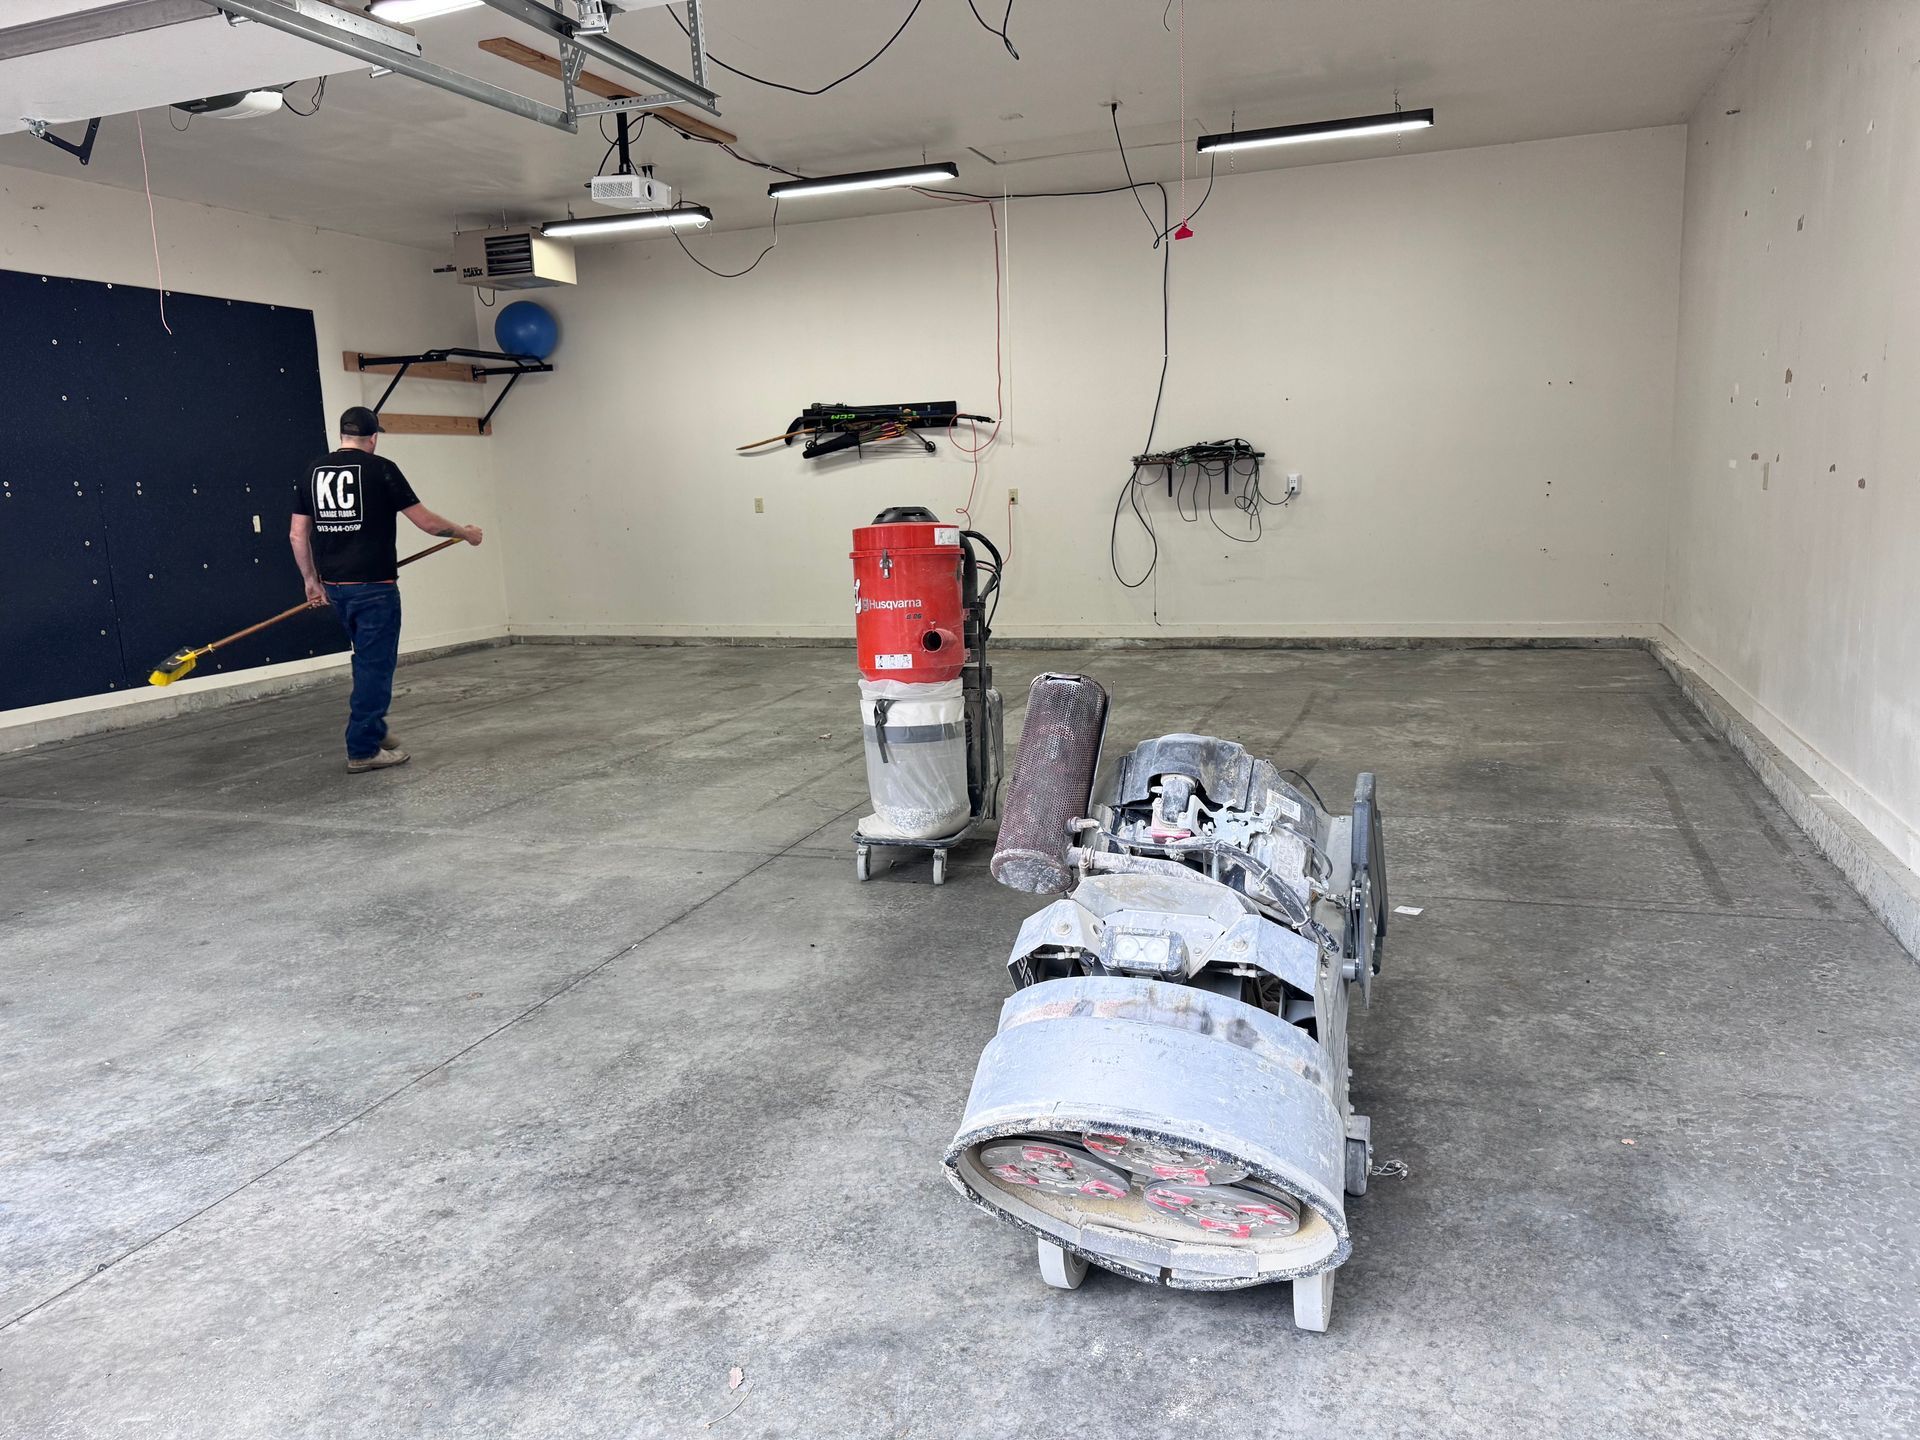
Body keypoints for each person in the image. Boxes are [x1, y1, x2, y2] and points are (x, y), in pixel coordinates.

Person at [289, 406, 482, 773]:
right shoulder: (381, 469)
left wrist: (311, 581)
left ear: (342, 435)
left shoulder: (313, 470)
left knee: (365, 661)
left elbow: (298, 533)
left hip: (337, 588)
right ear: (373, 438)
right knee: (375, 667)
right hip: (374, 587)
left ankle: (373, 727)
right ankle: (363, 748)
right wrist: (465, 532)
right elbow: (426, 522)